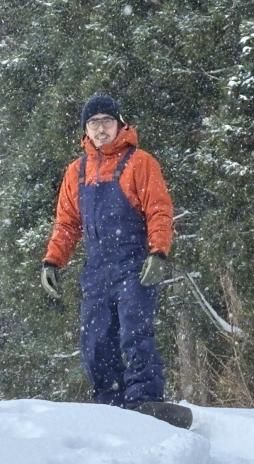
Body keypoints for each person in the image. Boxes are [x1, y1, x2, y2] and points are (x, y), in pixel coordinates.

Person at [40, 93, 190, 427]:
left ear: (119, 123)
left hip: (134, 264)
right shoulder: (75, 172)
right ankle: (109, 405)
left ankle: (145, 400)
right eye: (94, 123)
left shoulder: (140, 162)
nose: (101, 129)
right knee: (95, 340)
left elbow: (159, 210)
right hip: (96, 269)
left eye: (107, 121)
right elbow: (66, 224)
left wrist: (158, 251)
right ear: (86, 130)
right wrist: (52, 261)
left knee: (135, 333)